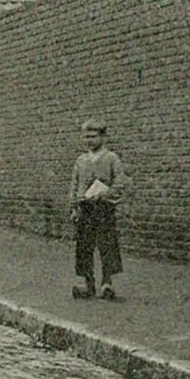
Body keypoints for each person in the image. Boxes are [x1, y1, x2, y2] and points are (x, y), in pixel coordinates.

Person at [71, 119, 124, 301]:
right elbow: (75, 185)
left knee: (107, 245)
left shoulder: (111, 159)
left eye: (93, 137)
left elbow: (120, 183)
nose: (89, 141)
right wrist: (74, 206)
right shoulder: (81, 161)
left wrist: (105, 194)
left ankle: (107, 283)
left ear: (102, 137)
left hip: (104, 208)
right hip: (85, 208)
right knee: (84, 246)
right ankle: (87, 282)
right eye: (86, 137)